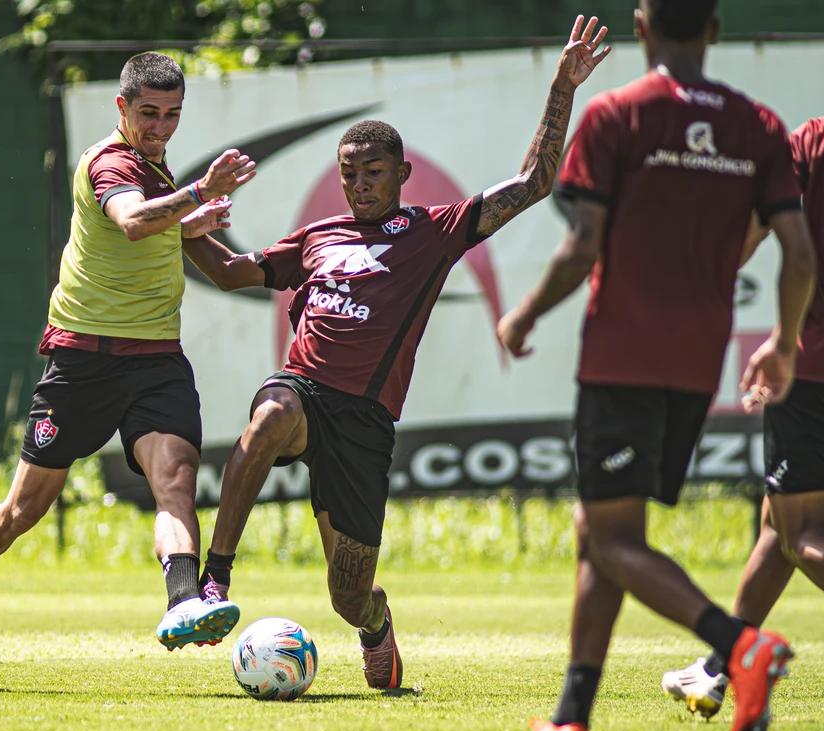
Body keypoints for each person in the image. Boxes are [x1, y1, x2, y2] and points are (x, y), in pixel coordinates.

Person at [179, 16, 610, 691]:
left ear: (402, 174)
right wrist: (184, 229)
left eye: (373, 173)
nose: (359, 185)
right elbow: (233, 273)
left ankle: (376, 627)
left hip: (364, 423)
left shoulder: (433, 231)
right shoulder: (317, 236)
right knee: (268, 418)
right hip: (303, 390)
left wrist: (562, 87)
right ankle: (214, 581)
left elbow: (534, 181)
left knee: (348, 595)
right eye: (349, 174)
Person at [496, 0, 817, 731]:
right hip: (695, 364)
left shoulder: (617, 116)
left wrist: (525, 312)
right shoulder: (758, 126)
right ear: (715, 29)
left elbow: (583, 245)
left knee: (611, 537)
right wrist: (784, 343)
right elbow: (799, 254)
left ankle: (739, 647)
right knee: (600, 534)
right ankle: (570, 724)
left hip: (621, 358)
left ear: (640, 27)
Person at [0, 52, 258, 677]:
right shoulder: (110, 162)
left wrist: (189, 222)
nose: (159, 127)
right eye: (148, 113)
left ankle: (183, 602)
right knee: (22, 512)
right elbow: (131, 222)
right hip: (83, 361)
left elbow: (156, 223)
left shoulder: (155, 165)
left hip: (156, 358)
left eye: (172, 114)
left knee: (176, 479)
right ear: (121, 106)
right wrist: (199, 195)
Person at [661, 23, 824, 720]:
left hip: (815, 367)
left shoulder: (821, 139)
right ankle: (719, 668)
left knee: (805, 534)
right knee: (780, 521)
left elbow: (746, 234)